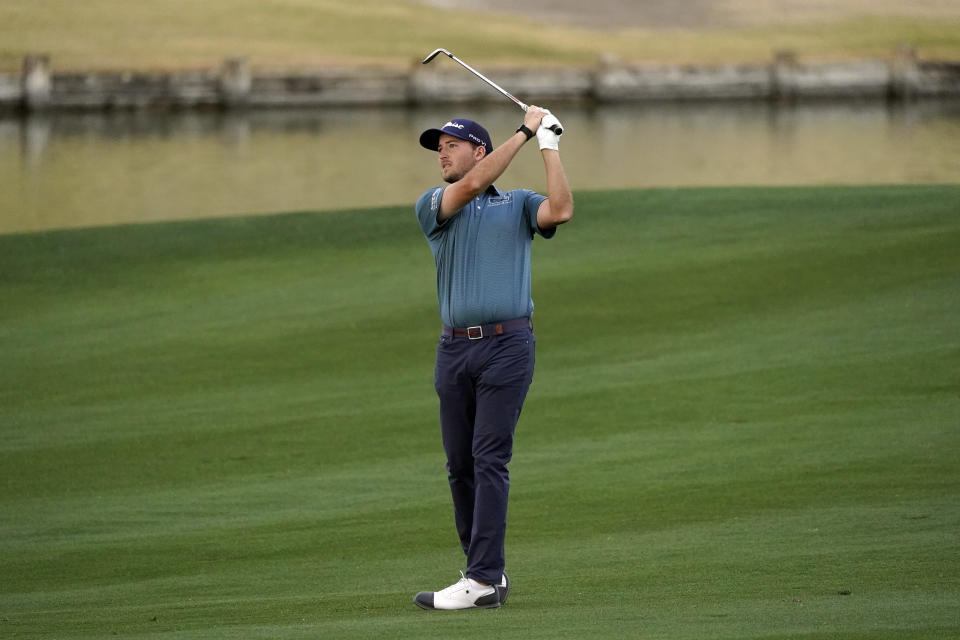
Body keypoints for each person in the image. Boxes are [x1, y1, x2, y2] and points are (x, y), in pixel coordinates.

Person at [412, 106, 573, 611]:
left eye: (451, 144)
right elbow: (472, 186)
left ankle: (481, 578)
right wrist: (524, 130)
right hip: (454, 348)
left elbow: (560, 210)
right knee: (459, 466)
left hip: (508, 345)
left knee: (488, 458)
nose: (441, 151)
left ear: (479, 149)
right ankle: (485, 574)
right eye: (438, 146)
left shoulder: (519, 204)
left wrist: (549, 145)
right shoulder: (436, 203)